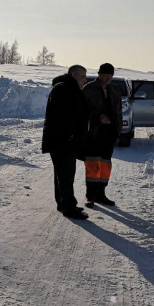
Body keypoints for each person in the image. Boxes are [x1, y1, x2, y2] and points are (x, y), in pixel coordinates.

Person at [41, 64, 89, 219]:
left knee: (62, 174)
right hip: (62, 142)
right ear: (74, 75)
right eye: (82, 76)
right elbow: (62, 117)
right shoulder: (63, 89)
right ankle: (69, 207)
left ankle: (63, 204)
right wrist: (70, 135)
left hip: (65, 141)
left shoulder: (70, 88)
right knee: (66, 175)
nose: (85, 80)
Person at [82, 63, 122, 207]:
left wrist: (118, 131)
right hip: (93, 133)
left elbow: (119, 113)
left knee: (105, 166)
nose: (108, 78)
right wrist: (98, 117)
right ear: (99, 74)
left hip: (109, 134)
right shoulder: (89, 89)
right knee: (93, 165)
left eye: (110, 75)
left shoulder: (114, 91)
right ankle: (90, 196)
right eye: (105, 75)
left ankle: (101, 194)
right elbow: (82, 111)